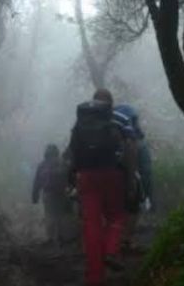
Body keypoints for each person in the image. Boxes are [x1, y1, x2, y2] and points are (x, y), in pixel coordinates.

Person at [67, 88, 132, 285]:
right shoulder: (117, 123)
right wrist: (129, 179)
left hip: (85, 177)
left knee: (91, 225)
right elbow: (128, 150)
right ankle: (111, 251)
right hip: (112, 176)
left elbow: (71, 154)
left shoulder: (79, 126)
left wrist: (72, 181)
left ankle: (95, 278)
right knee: (116, 216)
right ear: (110, 106)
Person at [112, 104, 154, 252]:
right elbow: (146, 171)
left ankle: (110, 241)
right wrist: (148, 195)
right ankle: (125, 240)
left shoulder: (106, 130)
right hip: (126, 177)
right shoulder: (136, 140)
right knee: (132, 207)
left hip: (104, 178)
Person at [32, 144, 71, 245]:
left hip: (47, 193)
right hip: (61, 192)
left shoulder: (42, 165)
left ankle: (50, 238)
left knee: (49, 215)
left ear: (46, 153)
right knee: (60, 215)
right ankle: (60, 237)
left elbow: (37, 182)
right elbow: (70, 177)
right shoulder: (62, 163)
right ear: (57, 152)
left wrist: (35, 196)